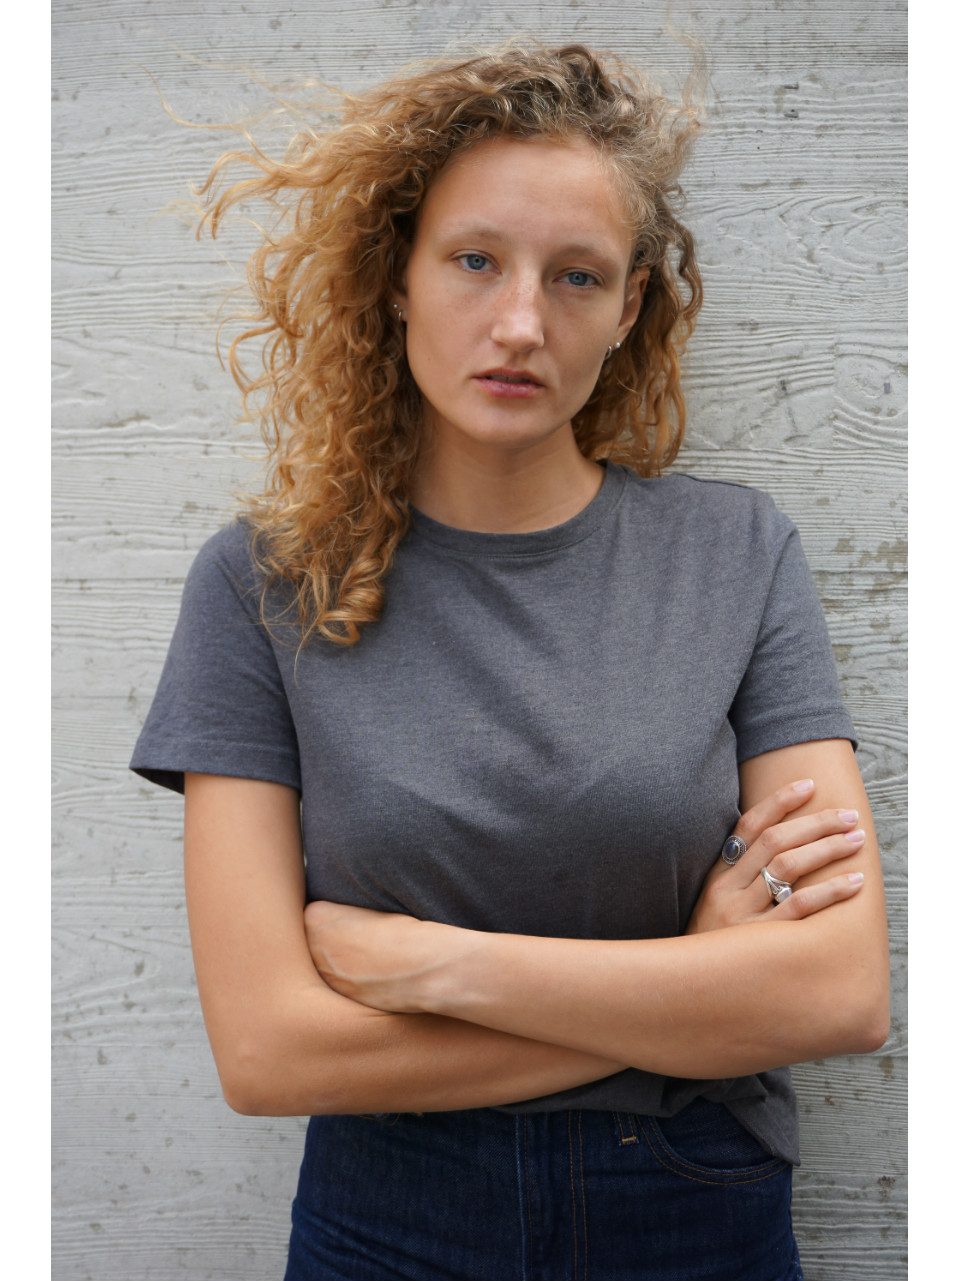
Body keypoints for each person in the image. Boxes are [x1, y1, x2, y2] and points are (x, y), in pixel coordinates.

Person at [131, 43, 889, 1281]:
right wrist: (691, 990)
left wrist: (433, 967)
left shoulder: (736, 555)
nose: (522, 323)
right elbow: (268, 1053)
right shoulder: (263, 586)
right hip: (390, 1218)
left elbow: (838, 995)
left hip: (692, 1207)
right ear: (399, 278)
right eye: (475, 260)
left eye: (577, 276)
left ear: (630, 309)